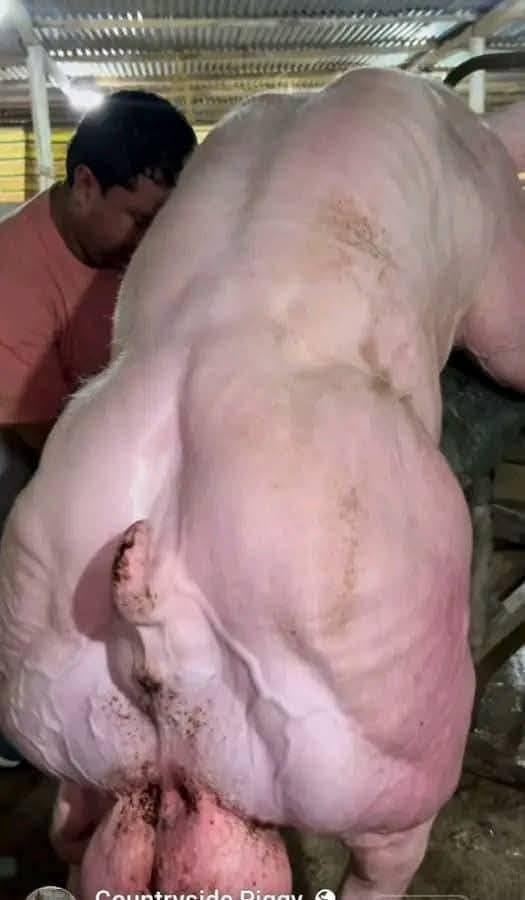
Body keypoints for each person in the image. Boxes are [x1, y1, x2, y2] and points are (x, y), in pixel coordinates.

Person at [0, 89, 197, 766]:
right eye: (139, 220)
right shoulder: (13, 270)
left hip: (113, 425)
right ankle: (18, 702)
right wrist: (142, 484)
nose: (150, 242)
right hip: (36, 444)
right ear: (86, 185)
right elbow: (32, 427)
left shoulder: (136, 253)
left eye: (164, 224)